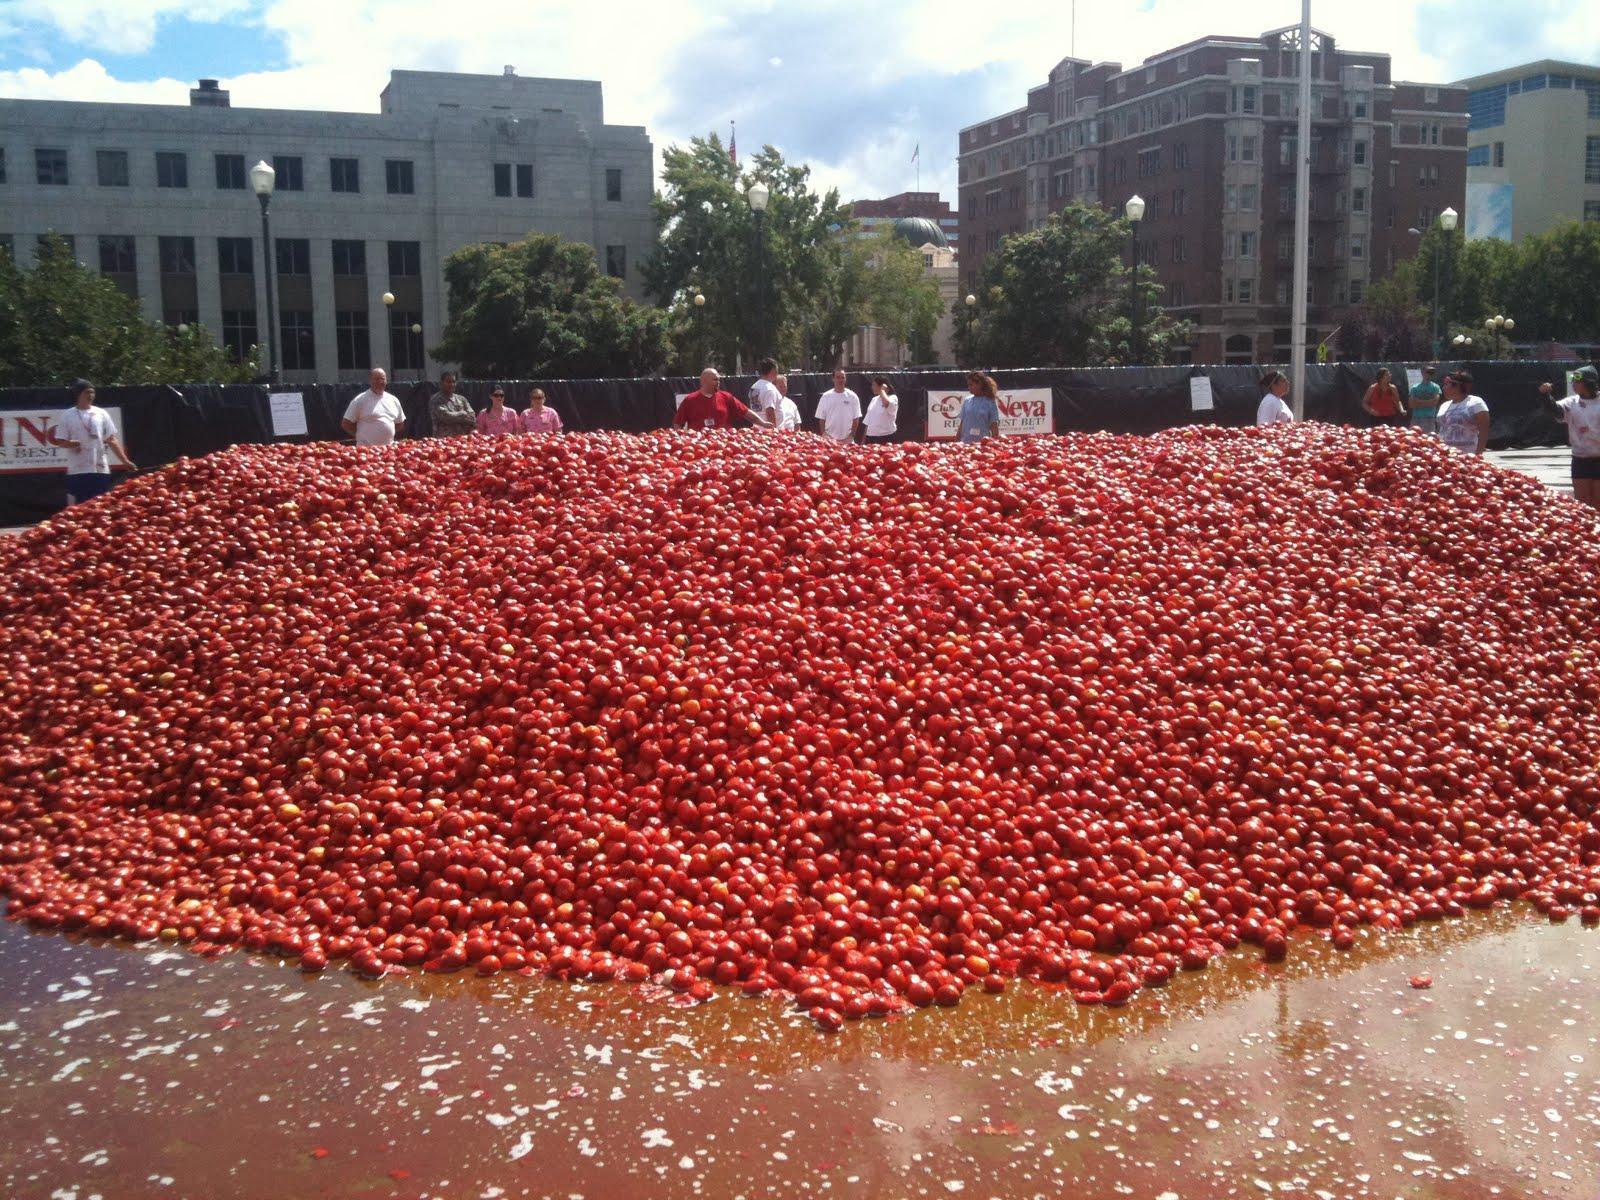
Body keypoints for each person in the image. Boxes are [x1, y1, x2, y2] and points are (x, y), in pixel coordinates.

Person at [49, 379, 136, 505]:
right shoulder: (67, 415)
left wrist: (125, 461)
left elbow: (111, 439)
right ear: (78, 394)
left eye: (92, 393)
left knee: (99, 503)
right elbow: (60, 441)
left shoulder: (101, 413)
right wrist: (71, 443)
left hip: (99, 468)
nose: (91, 396)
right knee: (79, 506)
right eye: (87, 392)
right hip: (78, 468)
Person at [1538, 364, 1600, 510]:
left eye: (1577, 381)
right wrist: (1545, 395)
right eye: (1572, 380)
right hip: (1580, 459)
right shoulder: (1571, 402)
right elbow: (1555, 411)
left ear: (1589, 382)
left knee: (1598, 501)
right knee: (1582, 504)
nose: (1573, 384)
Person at [674, 367, 760, 429]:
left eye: (719, 380)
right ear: (703, 381)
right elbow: (678, 423)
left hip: (723, 444)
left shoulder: (726, 397)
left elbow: (745, 412)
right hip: (699, 446)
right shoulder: (690, 400)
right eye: (715, 380)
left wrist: (763, 423)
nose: (718, 382)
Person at [341, 368, 406, 445]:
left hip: (389, 450)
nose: (380, 382)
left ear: (386, 381)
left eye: (382, 379)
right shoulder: (360, 400)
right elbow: (346, 424)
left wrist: (385, 433)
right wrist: (360, 435)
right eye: (376, 379)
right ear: (370, 381)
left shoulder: (393, 400)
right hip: (366, 452)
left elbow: (400, 423)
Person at [1436, 369, 1490, 456]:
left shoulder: (1475, 403)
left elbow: (1484, 431)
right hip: (1445, 456)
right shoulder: (1444, 406)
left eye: (1446, 384)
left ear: (1457, 386)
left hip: (1467, 456)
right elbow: (1441, 431)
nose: (1443, 388)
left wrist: (1478, 455)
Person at [814, 368, 862, 442]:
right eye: (838, 377)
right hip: (829, 440)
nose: (840, 380)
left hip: (848, 440)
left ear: (845, 379)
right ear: (833, 379)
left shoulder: (853, 396)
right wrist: (824, 434)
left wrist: (851, 436)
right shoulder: (826, 396)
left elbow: (856, 418)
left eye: (843, 377)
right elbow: (821, 418)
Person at [957, 372, 1001, 443]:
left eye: (971, 385)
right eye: (968, 385)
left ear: (979, 385)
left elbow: (994, 425)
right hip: (965, 443)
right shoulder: (967, 400)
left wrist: (995, 443)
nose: (969, 387)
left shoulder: (990, 402)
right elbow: (962, 423)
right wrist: (957, 440)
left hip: (982, 445)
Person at [430, 371, 476, 438]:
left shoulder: (462, 399)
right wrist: (462, 414)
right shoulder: (436, 399)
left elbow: (472, 418)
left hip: (462, 440)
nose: (451, 384)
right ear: (441, 383)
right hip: (443, 441)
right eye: (448, 382)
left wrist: (455, 416)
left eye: (453, 382)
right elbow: (446, 417)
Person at [863, 376, 898, 444]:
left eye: (874, 385)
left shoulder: (893, 398)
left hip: (886, 437)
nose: (872, 387)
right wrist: (863, 440)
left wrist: (882, 390)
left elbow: (886, 404)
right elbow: (868, 422)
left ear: (882, 386)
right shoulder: (874, 399)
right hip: (870, 438)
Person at [748, 358, 782, 428]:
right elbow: (769, 411)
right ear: (773, 370)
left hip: (756, 429)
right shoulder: (770, 389)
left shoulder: (754, 386)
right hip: (767, 433)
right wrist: (773, 432)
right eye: (777, 370)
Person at [1409, 366, 1442, 435]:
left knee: (1429, 439)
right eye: (1428, 372)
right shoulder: (1414, 387)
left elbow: (1435, 402)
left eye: (1432, 373)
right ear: (1422, 373)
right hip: (1416, 418)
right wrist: (1429, 402)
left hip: (1429, 418)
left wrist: (1418, 401)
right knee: (1414, 437)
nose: (1430, 374)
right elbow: (1411, 404)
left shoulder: (1436, 387)